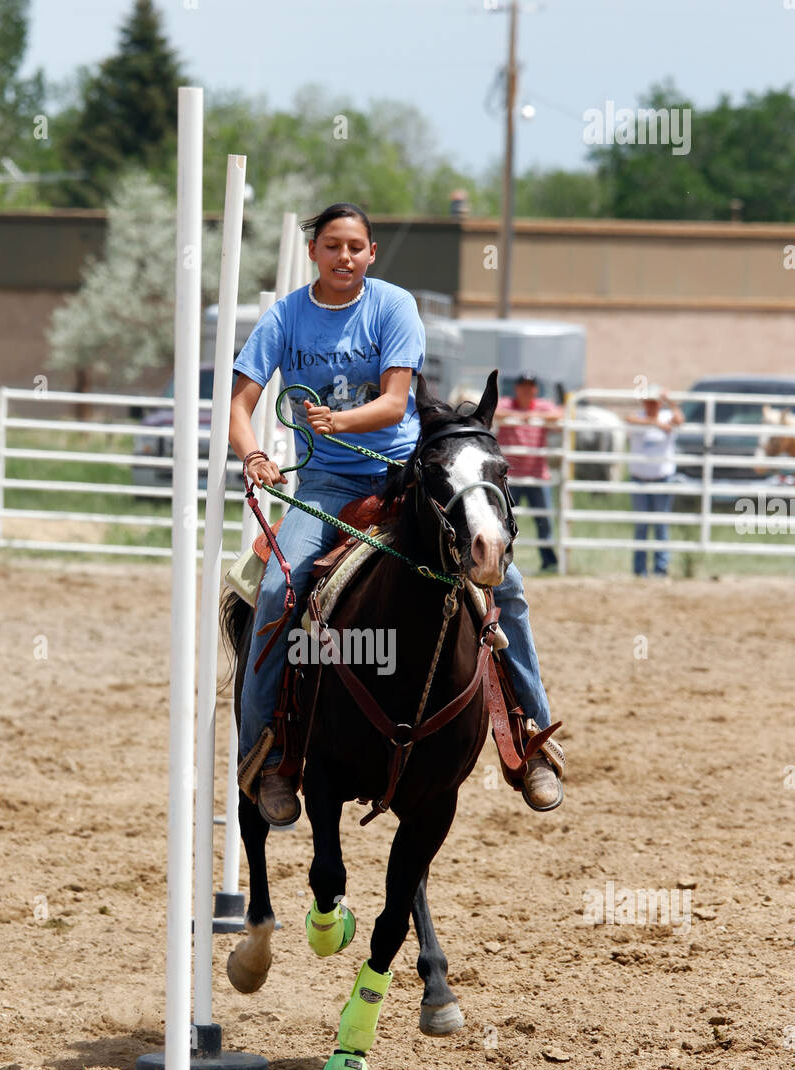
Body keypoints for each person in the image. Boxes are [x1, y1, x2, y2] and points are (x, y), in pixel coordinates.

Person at [228, 202, 563, 826]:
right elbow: (239, 404)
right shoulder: (284, 318)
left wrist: (336, 421)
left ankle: (528, 740)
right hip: (324, 484)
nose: (344, 256)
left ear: (371, 254)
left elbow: (394, 402)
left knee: (505, 584)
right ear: (315, 253)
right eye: (332, 246)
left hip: (407, 475)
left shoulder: (393, 306)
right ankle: (266, 757)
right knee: (276, 591)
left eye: (356, 246)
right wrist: (252, 455)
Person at [493, 372, 562, 573]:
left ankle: (549, 561)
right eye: (523, 385)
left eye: (530, 386)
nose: (526, 389)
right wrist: (523, 417)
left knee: (544, 521)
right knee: (504, 520)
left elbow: (559, 414)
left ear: (535, 389)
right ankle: (500, 558)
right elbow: (495, 412)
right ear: (516, 388)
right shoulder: (506, 403)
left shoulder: (542, 406)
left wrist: (533, 416)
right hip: (510, 477)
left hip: (537, 475)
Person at [624, 386, 683, 577]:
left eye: (655, 401)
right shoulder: (640, 417)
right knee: (642, 526)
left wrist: (671, 402)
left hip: (662, 478)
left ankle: (660, 568)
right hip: (640, 478)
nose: (651, 404)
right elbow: (629, 418)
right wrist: (655, 423)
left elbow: (679, 420)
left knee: (660, 525)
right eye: (648, 400)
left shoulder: (667, 416)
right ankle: (640, 569)